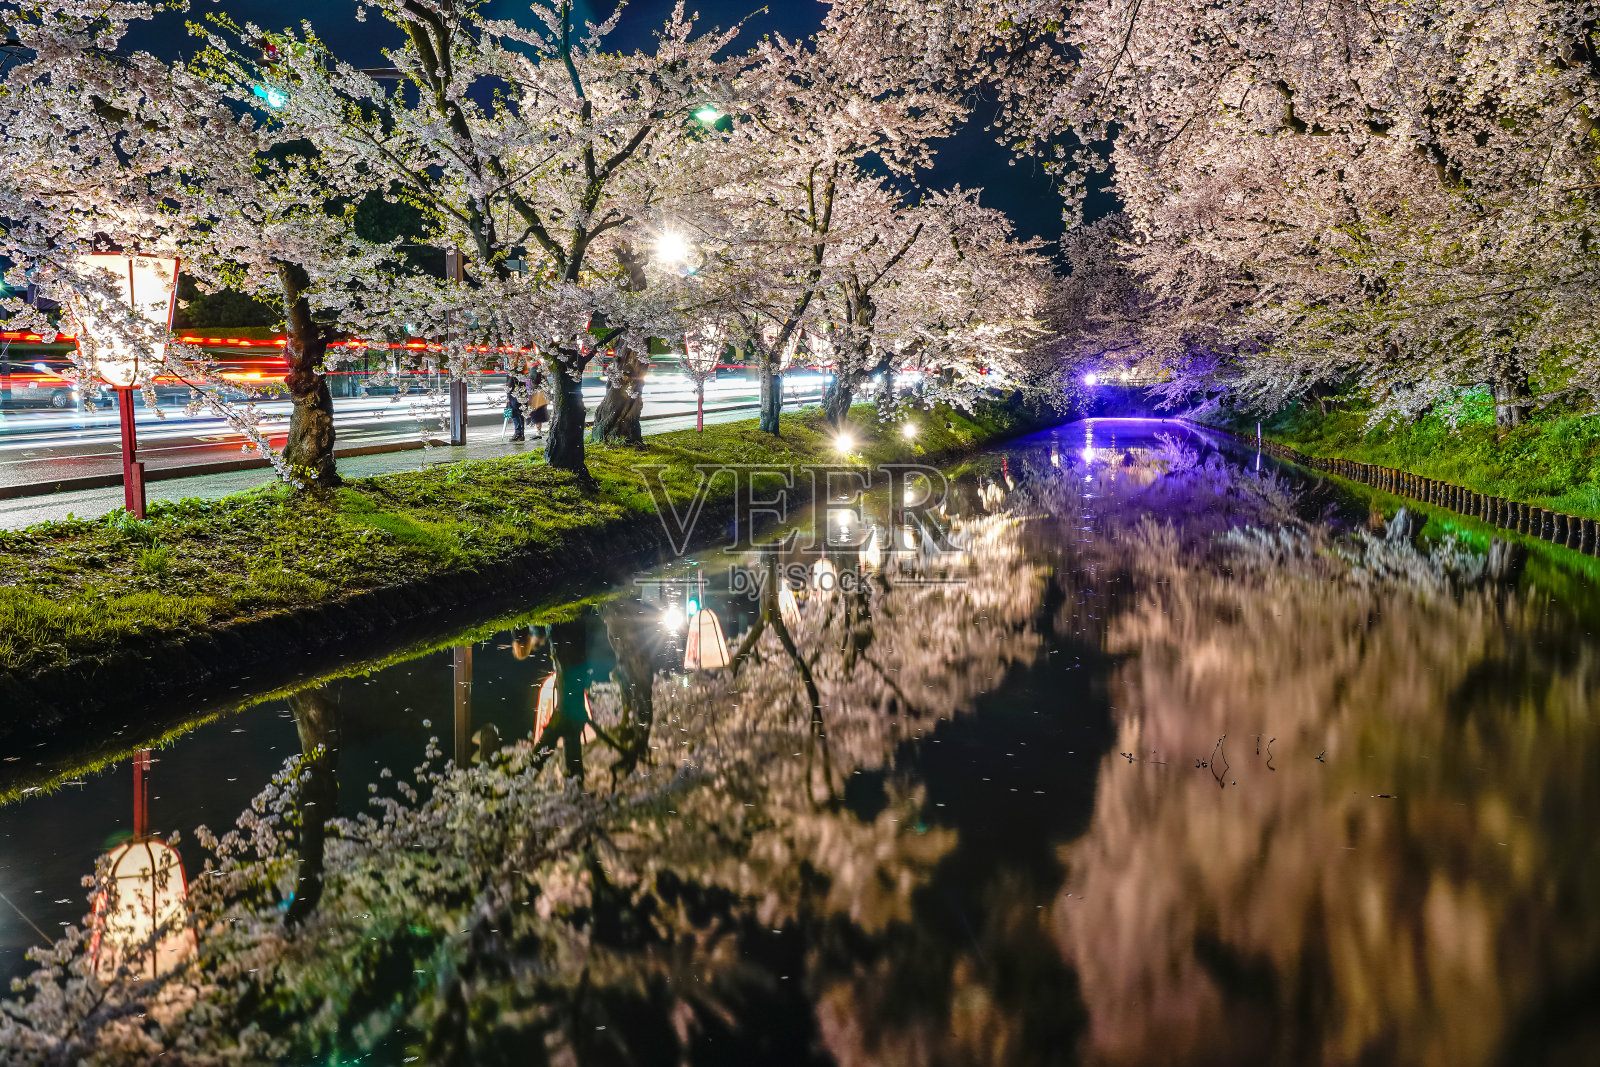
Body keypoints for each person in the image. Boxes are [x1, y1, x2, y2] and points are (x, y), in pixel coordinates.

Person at [528, 367, 549, 438]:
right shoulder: (541, 371)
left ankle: (538, 432)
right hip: (542, 396)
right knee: (539, 414)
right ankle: (539, 431)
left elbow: (532, 383)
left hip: (536, 396)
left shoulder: (533, 370)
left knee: (537, 414)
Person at [504, 373, 525, 441]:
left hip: (513, 395)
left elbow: (509, 384)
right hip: (521, 395)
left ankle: (518, 433)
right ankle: (521, 434)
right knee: (520, 413)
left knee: (514, 413)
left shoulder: (511, 372)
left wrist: (508, 396)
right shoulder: (522, 371)